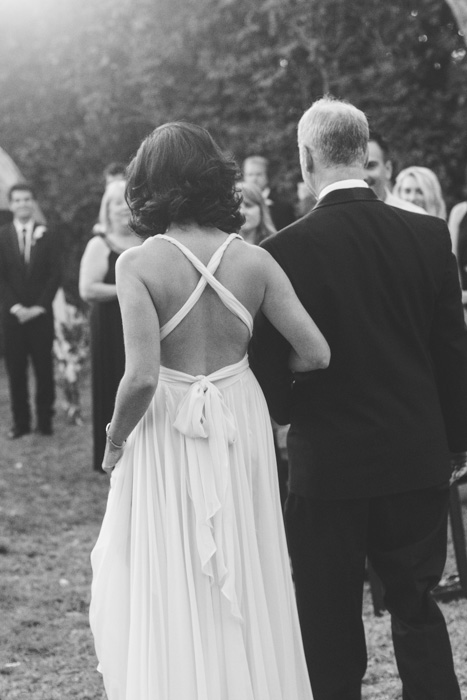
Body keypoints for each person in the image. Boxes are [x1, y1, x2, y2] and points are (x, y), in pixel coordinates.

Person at [89, 121, 330, 700]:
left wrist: (114, 438)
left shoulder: (139, 265)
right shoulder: (255, 262)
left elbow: (142, 376)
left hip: (167, 422)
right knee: (245, 555)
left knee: (170, 563)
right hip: (238, 416)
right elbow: (316, 353)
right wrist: (248, 381)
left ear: (149, 185)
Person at [250, 96, 467, 700]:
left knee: (327, 619)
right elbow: (452, 351)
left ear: (307, 157)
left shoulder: (283, 252)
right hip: (415, 457)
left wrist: (293, 412)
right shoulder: (426, 236)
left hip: (329, 469)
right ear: (363, 151)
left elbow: (270, 369)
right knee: (418, 609)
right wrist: (455, 443)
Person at [79, 179, 141, 471]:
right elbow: (87, 289)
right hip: (109, 325)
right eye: (115, 202)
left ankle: (140, 451)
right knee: (112, 382)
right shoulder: (99, 244)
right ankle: (108, 454)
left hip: (141, 323)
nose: (122, 208)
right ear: (107, 208)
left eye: (126, 201)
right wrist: (129, 288)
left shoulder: (146, 241)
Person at [0, 183, 61, 438]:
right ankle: (21, 423)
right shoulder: (1, 235)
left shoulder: (48, 235)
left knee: (44, 369)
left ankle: (45, 422)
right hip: (11, 317)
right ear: (11, 204)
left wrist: (38, 307)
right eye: (18, 200)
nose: (23, 204)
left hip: (40, 316)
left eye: (27, 199)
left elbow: (54, 274)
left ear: (32, 203)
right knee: (16, 371)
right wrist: (15, 307)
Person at [364, 132, 426, 213]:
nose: (363, 176)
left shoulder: (415, 217)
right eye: (355, 168)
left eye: (370, 166)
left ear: (388, 169)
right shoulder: (342, 220)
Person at [242, 155, 295, 230]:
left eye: (258, 174)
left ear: (267, 176)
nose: (254, 179)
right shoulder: (236, 206)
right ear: (244, 177)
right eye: (250, 175)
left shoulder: (284, 208)